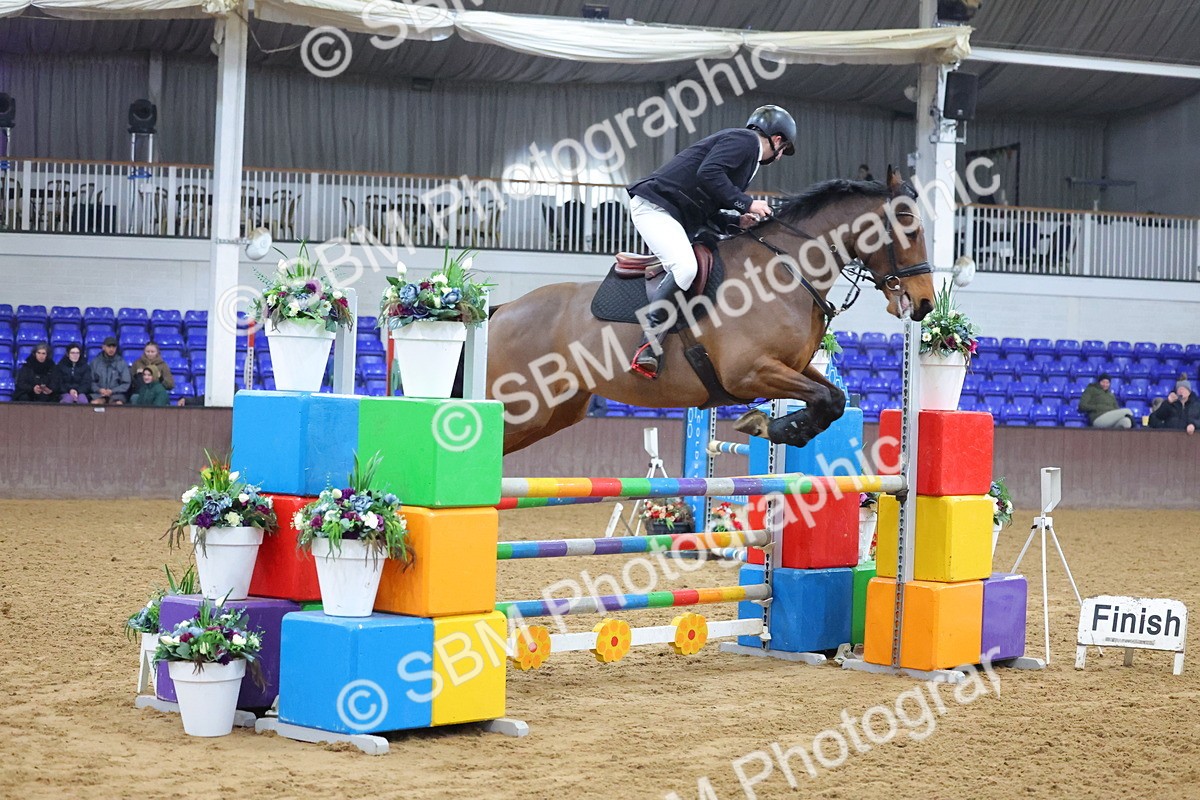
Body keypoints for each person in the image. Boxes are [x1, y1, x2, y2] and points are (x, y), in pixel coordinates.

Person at [624, 104, 796, 378]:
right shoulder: (745, 141)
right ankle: (648, 342)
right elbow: (709, 173)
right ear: (777, 140)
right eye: (783, 151)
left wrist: (737, 221)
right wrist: (747, 203)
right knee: (685, 268)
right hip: (655, 208)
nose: (779, 157)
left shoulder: (746, 158)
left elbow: (709, 206)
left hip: (678, 214)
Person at [90, 336, 131, 405]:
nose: (111, 349)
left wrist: (112, 391)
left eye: (113, 347)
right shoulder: (95, 362)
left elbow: (126, 383)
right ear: (103, 347)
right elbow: (91, 381)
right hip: (98, 394)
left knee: (118, 404)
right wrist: (99, 390)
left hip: (117, 395)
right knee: (95, 403)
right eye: (109, 346)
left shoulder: (121, 363)